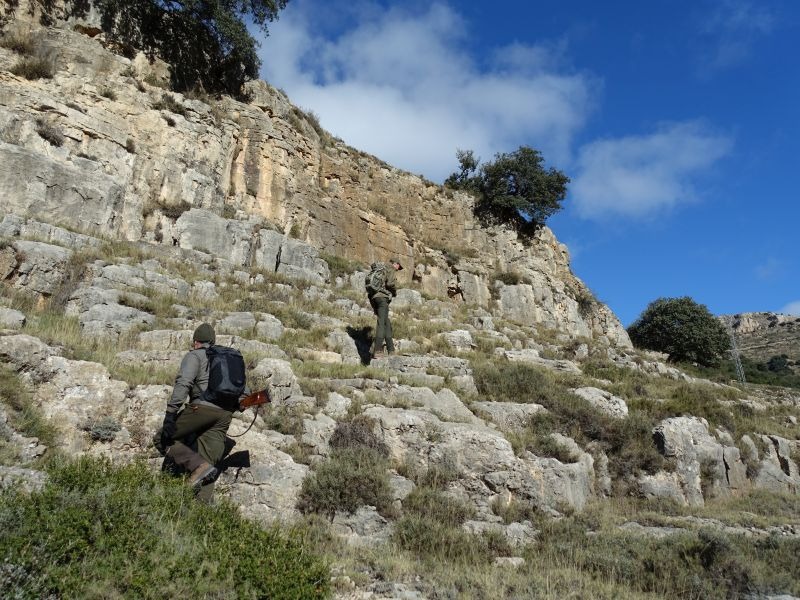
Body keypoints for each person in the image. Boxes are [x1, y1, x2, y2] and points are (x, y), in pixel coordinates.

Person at [156, 323, 239, 499]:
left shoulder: (195, 356)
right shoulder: (228, 359)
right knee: (209, 462)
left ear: (196, 342)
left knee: (162, 438)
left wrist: (171, 413)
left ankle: (196, 466)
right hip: (225, 414)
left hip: (201, 408)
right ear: (213, 341)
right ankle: (202, 516)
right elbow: (243, 392)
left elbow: (184, 382)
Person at [366, 258, 402, 359]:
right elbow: (390, 283)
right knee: (381, 322)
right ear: (396, 264)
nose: (398, 269)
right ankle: (377, 350)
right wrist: (394, 292)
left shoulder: (381, 269)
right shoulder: (390, 269)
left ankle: (391, 350)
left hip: (374, 298)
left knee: (386, 322)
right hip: (382, 298)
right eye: (398, 266)